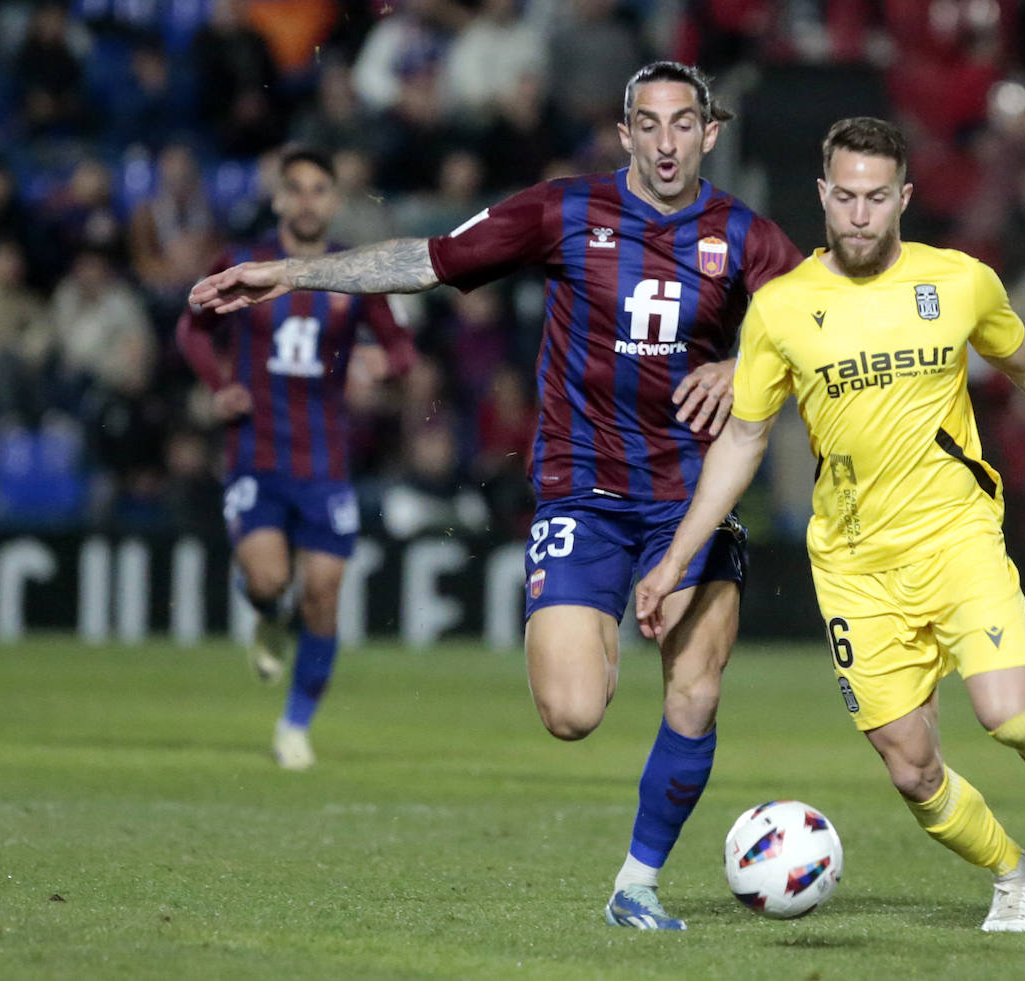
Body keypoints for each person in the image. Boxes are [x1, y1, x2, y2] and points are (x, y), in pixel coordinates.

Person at [188, 62, 805, 929]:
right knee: (570, 712)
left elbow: (825, 330)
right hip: (583, 490)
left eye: (683, 124)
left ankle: (636, 883)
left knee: (696, 688)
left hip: (690, 496)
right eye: (648, 124)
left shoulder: (749, 237)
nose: (666, 142)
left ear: (709, 134)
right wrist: (291, 271)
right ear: (625, 133)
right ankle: (597, 626)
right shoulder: (561, 210)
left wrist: (743, 363)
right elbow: (427, 259)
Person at [635, 117, 1025, 933]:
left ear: (904, 199)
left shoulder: (959, 281)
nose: (859, 214)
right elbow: (742, 440)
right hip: (853, 564)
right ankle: (1013, 871)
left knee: (1010, 715)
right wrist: (676, 557)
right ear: (823, 195)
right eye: (845, 197)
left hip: (957, 536)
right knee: (912, 767)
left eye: (876, 198)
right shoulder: (781, 310)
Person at [177, 148, 417, 771]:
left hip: (326, 460)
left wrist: (380, 363)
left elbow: (402, 349)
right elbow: (191, 327)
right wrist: (216, 383)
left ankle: (294, 726)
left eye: (319, 190)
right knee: (267, 580)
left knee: (324, 594)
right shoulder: (239, 263)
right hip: (255, 450)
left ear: (334, 201)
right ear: (279, 199)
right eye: (296, 189)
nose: (307, 201)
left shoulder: (354, 272)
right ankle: (264, 615)